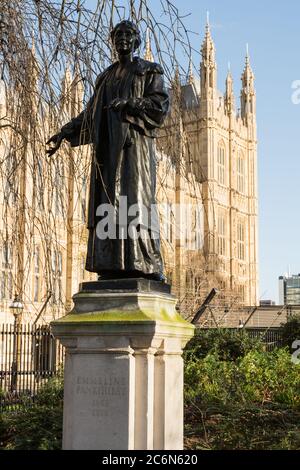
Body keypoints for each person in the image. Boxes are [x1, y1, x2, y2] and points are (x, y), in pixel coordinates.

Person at [46, 20, 169, 281]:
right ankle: (112, 265)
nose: (122, 39)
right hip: (107, 154)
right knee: (109, 205)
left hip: (133, 153)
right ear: (113, 42)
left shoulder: (148, 71)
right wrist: (65, 131)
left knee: (135, 204)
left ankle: (144, 263)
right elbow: (90, 116)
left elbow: (159, 106)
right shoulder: (105, 77)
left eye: (128, 35)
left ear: (136, 41)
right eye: (118, 35)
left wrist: (131, 103)